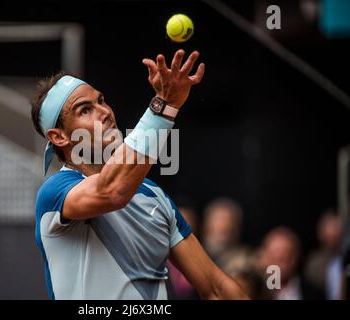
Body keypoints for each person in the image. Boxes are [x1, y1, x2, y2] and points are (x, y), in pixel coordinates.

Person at [30, 49, 248, 300]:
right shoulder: (54, 193)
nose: (104, 112)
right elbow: (112, 192)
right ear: (59, 137)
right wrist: (165, 106)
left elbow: (215, 288)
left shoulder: (154, 195)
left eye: (101, 101)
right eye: (85, 110)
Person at [257, 226, 322, 300]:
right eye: (275, 256)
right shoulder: (254, 291)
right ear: (263, 258)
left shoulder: (314, 293)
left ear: (297, 257)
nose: (281, 264)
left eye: (287, 255)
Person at [304, 209, 343, 299]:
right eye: (328, 235)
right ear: (320, 235)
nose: (333, 236)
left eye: (336, 229)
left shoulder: (345, 258)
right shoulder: (314, 263)